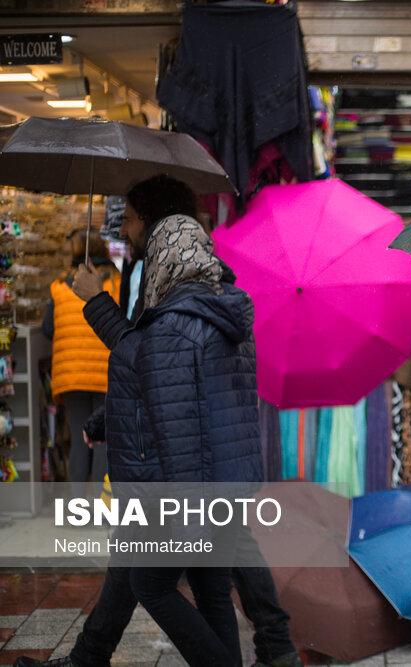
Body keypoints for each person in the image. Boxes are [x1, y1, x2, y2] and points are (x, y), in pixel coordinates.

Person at [17, 175, 299, 667]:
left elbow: (152, 369)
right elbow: (165, 384)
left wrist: (96, 303)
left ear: (159, 235)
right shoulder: (215, 304)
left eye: (127, 219)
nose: (123, 231)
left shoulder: (179, 314)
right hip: (212, 478)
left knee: (151, 580)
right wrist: (111, 416)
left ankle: (274, 648)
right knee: (204, 585)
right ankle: (91, 655)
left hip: (180, 481)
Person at [42, 228, 121, 497]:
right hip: (104, 374)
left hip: (71, 375)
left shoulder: (60, 285)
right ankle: (102, 506)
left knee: (79, 438)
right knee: (102, 440)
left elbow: (48, 328)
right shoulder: (114, 281)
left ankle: (77, 505)